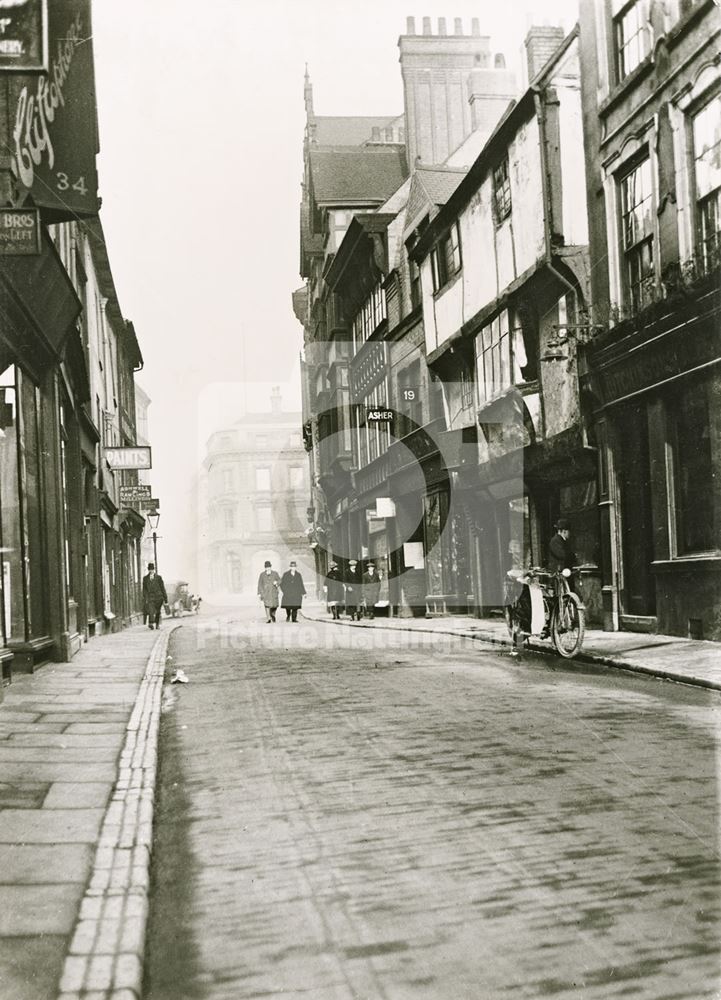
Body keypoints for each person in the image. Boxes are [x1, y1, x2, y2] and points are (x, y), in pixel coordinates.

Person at [142, 562, 167, 631]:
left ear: (154, 570)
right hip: (150, 597)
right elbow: (144, 589)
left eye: (152, 569)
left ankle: (157, 624)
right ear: (148, 570)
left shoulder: (159, 578)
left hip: (159, 597)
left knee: (158, 612)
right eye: (150, 569)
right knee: (151, 610)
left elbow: (162, 588)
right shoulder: (145, 578)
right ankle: (151, 623)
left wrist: (165, 599)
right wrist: (145, 597)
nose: (151, 571)